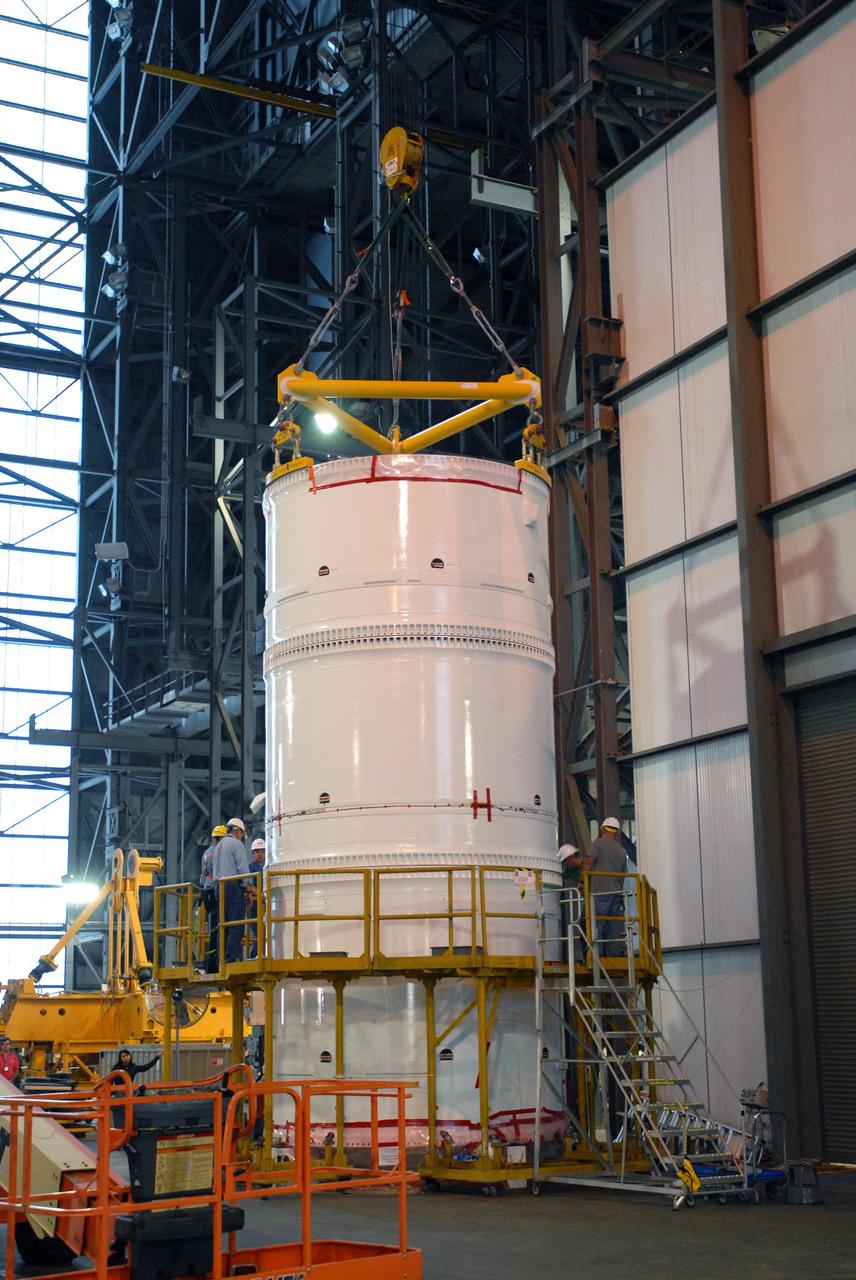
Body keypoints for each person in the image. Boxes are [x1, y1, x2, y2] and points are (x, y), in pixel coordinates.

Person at [585, 817, 628, 956]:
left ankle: (594, 956)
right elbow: (623, 876)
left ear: (602, 829)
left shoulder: (598, 844)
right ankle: (612, 959)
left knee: (595, 925)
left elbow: (588, 862)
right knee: (613, 929)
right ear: (617, 833)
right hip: (616, 895)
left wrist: (581, 882)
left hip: (599, 894)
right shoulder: (622, 852)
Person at [213, 818, 252, 963]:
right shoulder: (237, 844)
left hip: (218, 888)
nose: (242, 837)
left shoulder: (218, 846)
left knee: (223, 926)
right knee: (236, 926)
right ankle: (230, 960)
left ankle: (221, 960)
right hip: (232, 887)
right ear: (238, 831)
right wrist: (249, 888)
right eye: (242, 834)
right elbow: (242, 869)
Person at [201, 824, 226, 971]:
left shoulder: (206, 852)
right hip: (215, 889)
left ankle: (211, 961)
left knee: (214, 927)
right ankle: (215, 962)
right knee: (219, 927)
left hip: (206, 890)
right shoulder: (219, 852)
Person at [247, 839, 265, 960]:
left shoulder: (269, 866)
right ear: (253, 854)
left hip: (268, 905)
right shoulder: (250, 868)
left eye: (262, 851)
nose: (260, 854)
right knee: (258, 933)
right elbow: (248, 885)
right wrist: (260, 894)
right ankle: (254, 957)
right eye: (257, 851)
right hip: (255, 906)